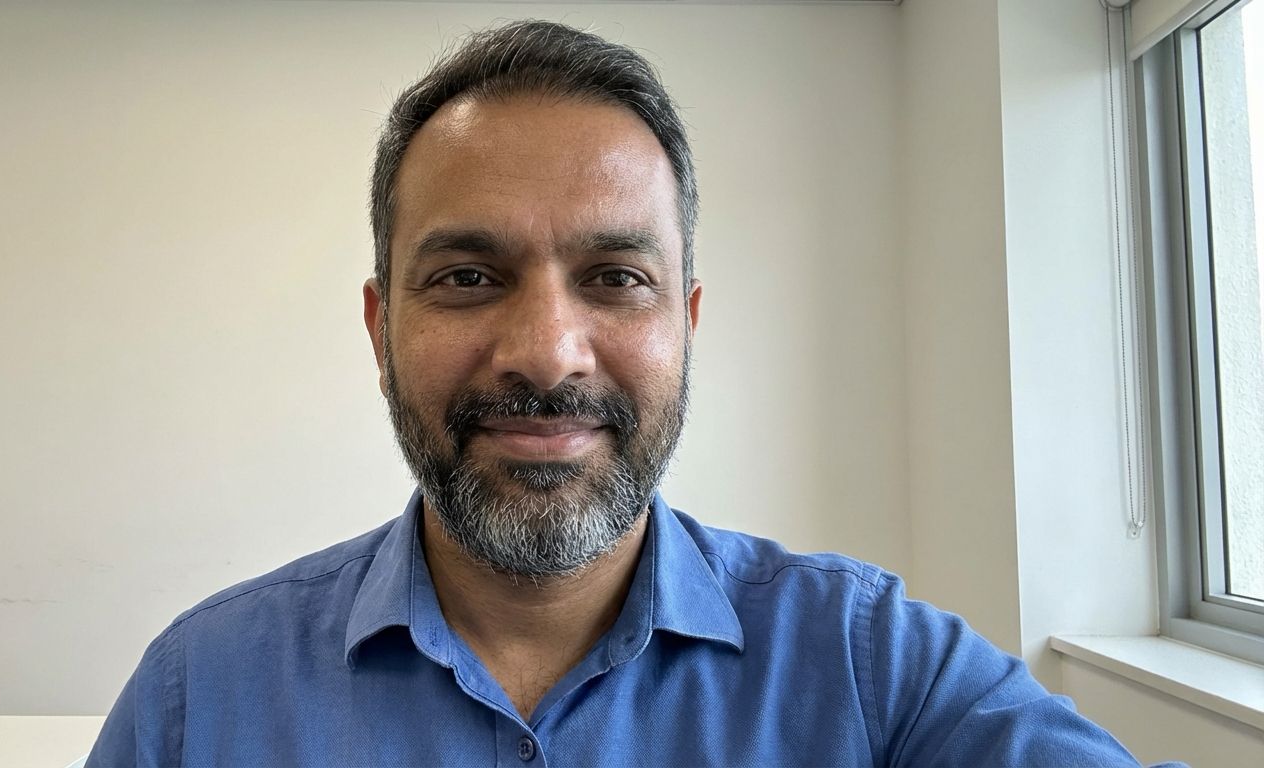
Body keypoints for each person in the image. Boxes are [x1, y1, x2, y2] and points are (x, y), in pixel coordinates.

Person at [88, 19, 1153, 767]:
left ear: (684, 324)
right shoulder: (197, 698)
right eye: (468, 278)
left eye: (614, 279)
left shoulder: (873, 668)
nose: (547, 356)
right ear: (381, 329)